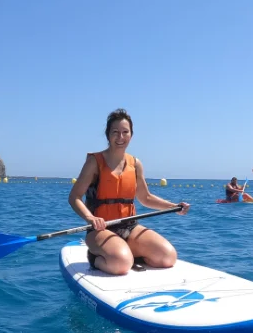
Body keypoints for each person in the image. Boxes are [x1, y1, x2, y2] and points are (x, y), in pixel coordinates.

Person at [68, 108, 189, 275]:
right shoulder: (94, 162)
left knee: (167, 257)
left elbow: (146, 198)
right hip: (100, 230)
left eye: (125, 132)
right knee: (121, 264)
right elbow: (74, 197)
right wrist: (91, 218)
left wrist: (174, 207)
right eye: (115, 132)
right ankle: (97, 257)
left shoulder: (135, 164)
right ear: (108, 135)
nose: (120, 137)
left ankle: (124, 253)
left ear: (131, 135)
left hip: (130, 227)